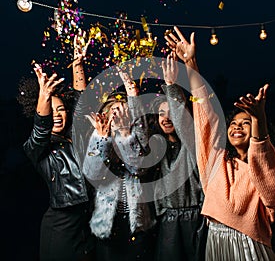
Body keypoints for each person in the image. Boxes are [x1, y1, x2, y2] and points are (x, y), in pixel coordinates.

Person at [165, 26, 275, 260]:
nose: (237, 126)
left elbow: (269, 191)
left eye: (246, 123)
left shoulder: (264, 166)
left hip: (249, 245)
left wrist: (259, 119)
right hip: (215, 242)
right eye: (234, 123)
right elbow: (204, 118)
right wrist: (191, 66)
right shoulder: (216, 160)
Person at [18, 35, 96, 261]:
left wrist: (78, 64)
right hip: (61, 228)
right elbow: (41, 129)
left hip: (86, 225)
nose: (57, 115)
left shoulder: (75, 138)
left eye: (61, 109)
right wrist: (45, 95)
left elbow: (83, 105)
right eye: (51, 110)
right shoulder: (36, 147)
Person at [82, 68, 157, 261]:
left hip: (136, 224)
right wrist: (101, 139)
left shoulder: (136, 139)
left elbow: (139, 169)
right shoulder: (98, 138)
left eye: (123, 109)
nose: (118, 113)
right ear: (105, 114)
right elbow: (92, 174)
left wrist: (125, 136)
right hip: (107, 224)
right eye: (113, 110)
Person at [148, 52, 206, 261]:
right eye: (161, 113)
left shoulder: (192, 145)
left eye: (170, 111)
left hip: (192, 217)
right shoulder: (156, 148)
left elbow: (185, 125)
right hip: (166, 219)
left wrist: (171, 85)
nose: (166, 118)